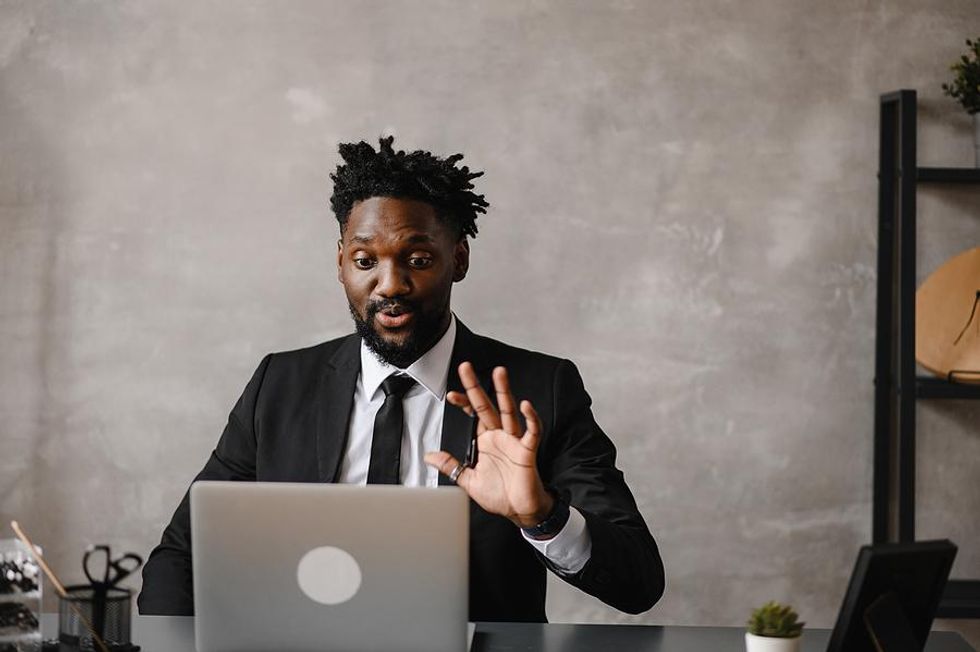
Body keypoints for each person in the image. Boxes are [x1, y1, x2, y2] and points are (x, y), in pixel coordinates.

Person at [138, 136, 665, 622]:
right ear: (341, 263)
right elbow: (182, 556)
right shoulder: (280, 383)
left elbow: (639, 583)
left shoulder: (539, 388)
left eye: (417, 259)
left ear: (457, 259)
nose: (390, 285)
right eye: (365, 260)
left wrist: (542, 515)